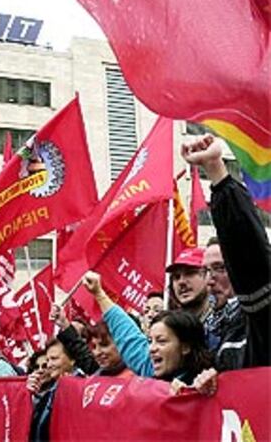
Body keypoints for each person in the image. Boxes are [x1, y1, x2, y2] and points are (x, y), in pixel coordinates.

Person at [182, 134, 271, 369]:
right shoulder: (213, 332)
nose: (211, 279)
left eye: (221, 267)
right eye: (206, 271)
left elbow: (249, 252)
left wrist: (216, 173)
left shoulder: (262, 318)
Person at [83, 272, 214, 386]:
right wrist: (98, 294)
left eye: (161, 341)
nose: (151, 349)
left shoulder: (205, 384)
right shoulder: (150, 370)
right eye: (150, 341)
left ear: (185, 347)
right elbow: (128, 336)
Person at [28, 338, 84, 442]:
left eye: (54, 359)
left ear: (72, 360)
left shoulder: (82, 390)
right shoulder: (50, 392)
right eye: (48, 360)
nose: (49, 365)